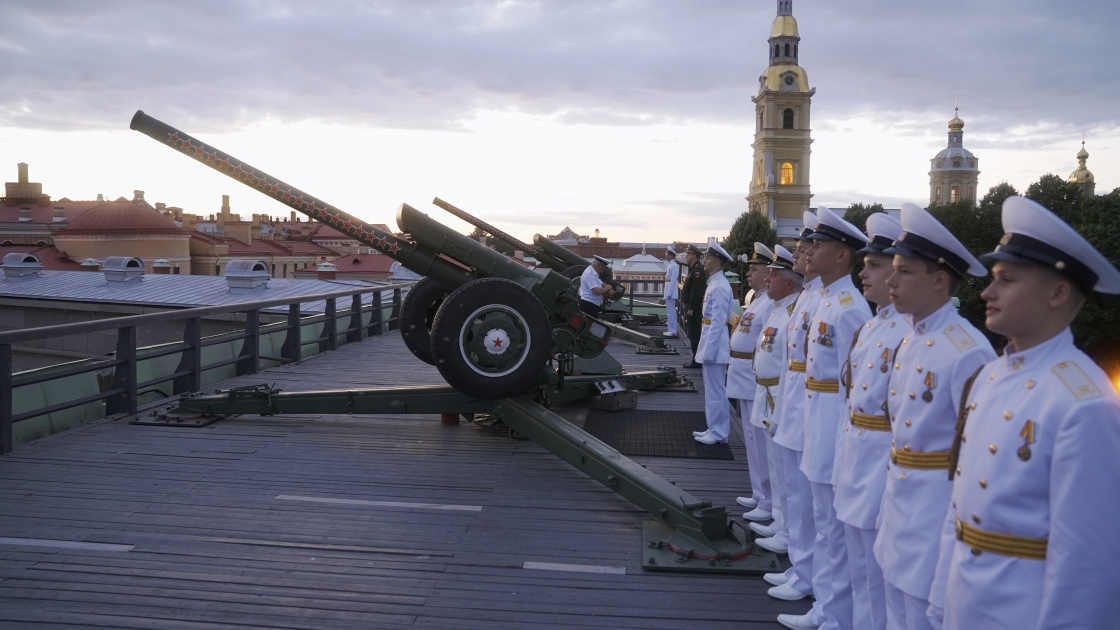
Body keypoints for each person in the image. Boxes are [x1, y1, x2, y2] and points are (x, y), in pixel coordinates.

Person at [927, 197, 1120, 629]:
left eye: (1007, 280)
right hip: (968, 599)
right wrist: (941, 601)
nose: (986, 292)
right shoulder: (991, 376)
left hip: (1023, 612)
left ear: (1058, 292)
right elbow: (958, 509)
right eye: (993, 278)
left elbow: (1088, 567)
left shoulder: (1085, 404)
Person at [873, 203, 996, 630]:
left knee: (919, 614)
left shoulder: (968, 350)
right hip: (899, 503)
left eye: (904, 271)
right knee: (894, 607)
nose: (891, 279)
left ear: (940, 279)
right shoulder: (912, 337)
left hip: (933, 516)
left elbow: (974, 461)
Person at [777, 206, 872, 630]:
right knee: (816, 512)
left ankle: (831, 611)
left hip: (832, 420)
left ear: (841, 255)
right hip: (812, 411)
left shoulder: (850, 307)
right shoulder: (825, 299)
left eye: (819, 245)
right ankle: (815, 588)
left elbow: (855, 381)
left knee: (830, 522)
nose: (808, 252)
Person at [834, 212, 906, 630]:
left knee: (879, 578)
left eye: (875, 265)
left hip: (882, 467)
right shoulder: (875, 325)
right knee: (860, 568)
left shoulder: (906, 333)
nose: (865, 272)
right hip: (856, 457)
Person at [766, 212, 824, 624]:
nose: (802, 253)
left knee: (813, 505)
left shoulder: (840, 306)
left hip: (816, 413)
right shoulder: (811, 298)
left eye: (809, 248)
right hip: (797, 402)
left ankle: (811, 578)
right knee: (801, 496)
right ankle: (802, 569)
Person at [745, 244, 802, 555]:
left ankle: (787, 529)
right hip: (765, 392)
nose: (767, 280)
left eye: (773, 275)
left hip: (779, 394)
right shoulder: (780, 309)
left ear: (789, 282)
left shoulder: (792, 311)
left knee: (784, 469)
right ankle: (779, 521)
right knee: (775, 464)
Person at [728, 243, 778, 517]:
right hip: (742, 373)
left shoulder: (769, 302)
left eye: (755, 270)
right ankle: (759, 493)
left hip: (753, 375)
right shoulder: (758, 299)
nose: (749, 274)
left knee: (759, 440)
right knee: (751, 437)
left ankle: (767, 499)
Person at [693, 239, 734, 445]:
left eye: (708, 257)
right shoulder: (716, 283)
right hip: (711, 342)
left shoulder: (719, 286)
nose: (705, 260)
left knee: (716, 391)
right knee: (711, 390)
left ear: (717, 262)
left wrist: (709, 352)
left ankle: (719, 432)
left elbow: (718, 322)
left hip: (715, 346)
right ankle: (713, 428)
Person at [681, 245, 709, 369]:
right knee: (693, 333)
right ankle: (696, 358)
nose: (686, 256)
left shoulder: (697, 271)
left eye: (688, 254)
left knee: (694, 333)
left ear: (694, 256)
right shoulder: (693, 269)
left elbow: (696, 291)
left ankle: (696, 360)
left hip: (694, 307)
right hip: (692, 306)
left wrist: (691, 308)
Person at [662, 246, 681, 338]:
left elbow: (673, 280)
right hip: (668, 289)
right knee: (669, 311)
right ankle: (671, 329)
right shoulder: (670, 265)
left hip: (671, 291)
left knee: (671, 312)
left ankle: (673, 331)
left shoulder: (674, 266)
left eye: (667, 254)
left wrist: (669, 293)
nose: (666, 255)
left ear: (671, 255)